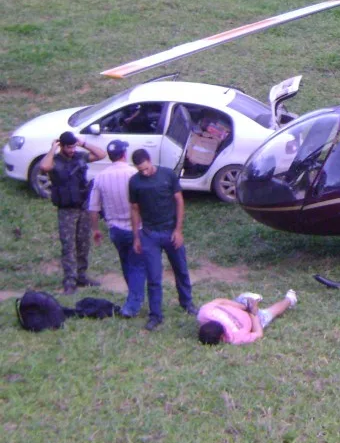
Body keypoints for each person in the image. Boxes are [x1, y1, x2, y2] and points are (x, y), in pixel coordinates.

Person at [129, 148, 197, 330]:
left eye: (146, 168)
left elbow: (179, 201)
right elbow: (135, 209)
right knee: (153, 276)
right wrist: (136, 237)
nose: (144, 172)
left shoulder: (167, 175)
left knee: (181, 269)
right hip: (150, 234)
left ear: (150, 161)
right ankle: (155, 314)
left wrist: (178, 230)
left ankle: (187, 303)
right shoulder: (135, 183)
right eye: (140, 170)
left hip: (170, 231)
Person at [39, 131, 107, 295]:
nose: (71, 150)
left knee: (83, 243)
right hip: (66, 210)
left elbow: (101, 154)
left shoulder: (80, 156)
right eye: (68, 147)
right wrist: (52, 149)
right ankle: (70, 281)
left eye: (73, 147)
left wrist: (83, 143)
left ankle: (81, 275)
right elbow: (44, 167)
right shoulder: (55, 161)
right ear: (61, 146)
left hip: (82, 206)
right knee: (68, 246)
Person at [87, 139, 144, 317]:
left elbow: (93, 208)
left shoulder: (101, 177)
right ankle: (133, 304)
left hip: (115, 230)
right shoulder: (133, 174)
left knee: (126, 263)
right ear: (124, 154)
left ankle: (133, 297)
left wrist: (95, 229)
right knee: (137, 266)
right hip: (136, 229)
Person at [197, 290, 298, 346]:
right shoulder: (205, 313)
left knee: (270, 312)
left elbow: (259, 335)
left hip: (241, 308)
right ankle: (289, 299)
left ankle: (289, 298)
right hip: (250, 317)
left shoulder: (234, 338)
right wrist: (252, 313)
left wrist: (244, 307)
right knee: (268, 314)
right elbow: (258, 333)